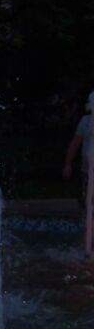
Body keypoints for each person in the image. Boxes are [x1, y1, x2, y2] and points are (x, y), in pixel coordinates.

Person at [63, 92, 94, 260]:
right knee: (88, 207)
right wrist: (68, 164)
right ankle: (87, 245)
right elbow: (75, 144)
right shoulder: (86, 122)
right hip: (87, 172)